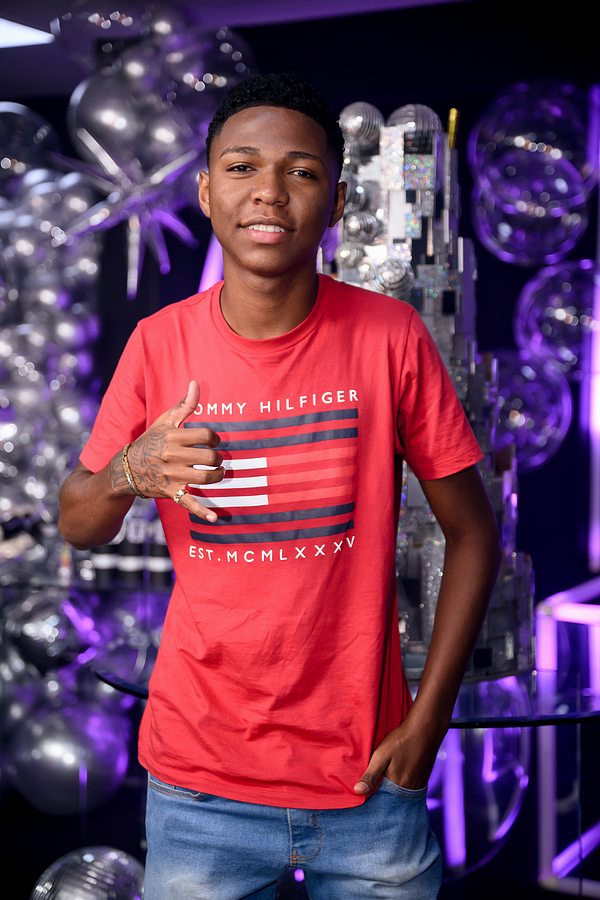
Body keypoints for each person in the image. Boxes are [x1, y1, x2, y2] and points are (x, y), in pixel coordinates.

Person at [58, 72, 501, 899]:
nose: (269, 191)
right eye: (241, 167)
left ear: (336, 205)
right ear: (205, 192)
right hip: (199, 789)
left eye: (301, 171)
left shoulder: (390, 336)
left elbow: (475, 533)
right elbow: (79, 521)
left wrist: (429, 719)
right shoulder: (158, 344)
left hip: (371, 781)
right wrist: (130, 469)